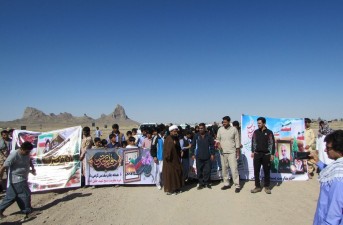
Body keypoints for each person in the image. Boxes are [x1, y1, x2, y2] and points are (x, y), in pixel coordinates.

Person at [311, 130, 343, 225]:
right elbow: (330, 171)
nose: (325, 150)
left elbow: (335, 210)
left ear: (339, 149)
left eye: (328, 148)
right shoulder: (338, 168)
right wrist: (318, 162)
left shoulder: (339, 176)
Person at [0, 141, 36, 221]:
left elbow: (29, 160)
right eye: (27, 151)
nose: (28, 153)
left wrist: (32, 168)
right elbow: (3, 167)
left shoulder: (26, 153)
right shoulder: (14, 155)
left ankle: (0, 210)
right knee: (25, 194)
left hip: (21, 178)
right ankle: (27, 212)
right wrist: (0, 178)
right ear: (22, 149)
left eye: (29, 151)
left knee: (10, 197)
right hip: (17, 179)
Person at [250, 117, 275, 194]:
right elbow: (253, 142)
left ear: (264, 123)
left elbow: (272, 143)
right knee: (256, 171)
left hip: (266, 154)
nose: (258, 125)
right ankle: (257, 187)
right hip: (257, 154)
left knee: (266, 171)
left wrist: (272, 154)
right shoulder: (256, 132)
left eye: (260, 123)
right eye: (258, 123)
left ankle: (267, 187)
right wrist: (252, 151)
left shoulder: (269, 132)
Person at [216, 116, 241, 193]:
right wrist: (218, 144)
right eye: (223, 122)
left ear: (229, 122)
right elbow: (217, 139)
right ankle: (226, 184)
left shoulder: (234, 129)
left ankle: (237, 185)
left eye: (225, 122)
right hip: (223, 152)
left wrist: (237, 151)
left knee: (234, 169)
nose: (224, 123)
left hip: (232, 152)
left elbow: (237, 141)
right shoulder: (220, 129)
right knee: (224, 169)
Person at [190, 123, 215, 190]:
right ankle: (201, 183)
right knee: (199, 171)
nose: (200, 129)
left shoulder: (209, 136)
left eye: (202, 128)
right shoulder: (196, 136)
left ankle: (206, 183)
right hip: (199, 156)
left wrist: (212, 154)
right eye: (199, 128)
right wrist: (192, 154)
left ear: (204, 128)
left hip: (207, 156)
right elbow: (193, 145)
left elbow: (212, 145)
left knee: (207, 170)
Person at [162, 125, 183, 195]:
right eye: (174, 131)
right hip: (169, 161)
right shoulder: (168, 139)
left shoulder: (175, 138)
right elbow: (167, 151)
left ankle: (177, 188)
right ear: (170, 131)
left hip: (176, 159)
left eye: (176, 131)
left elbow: (178, 147)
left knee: (177, 173)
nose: (176, 132)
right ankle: (171, 189)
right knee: (171, 175)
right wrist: (168, 158)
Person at [151, 124, 165, 190]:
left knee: (161, 171)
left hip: (163, 158)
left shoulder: (164, 137)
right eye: (162, 130)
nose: (163, 131)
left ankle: (162, 181)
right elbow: (153, 148)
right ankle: (158, 183)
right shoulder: (155, 138)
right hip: (158, 157)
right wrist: (154, 156)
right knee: (158, 171)